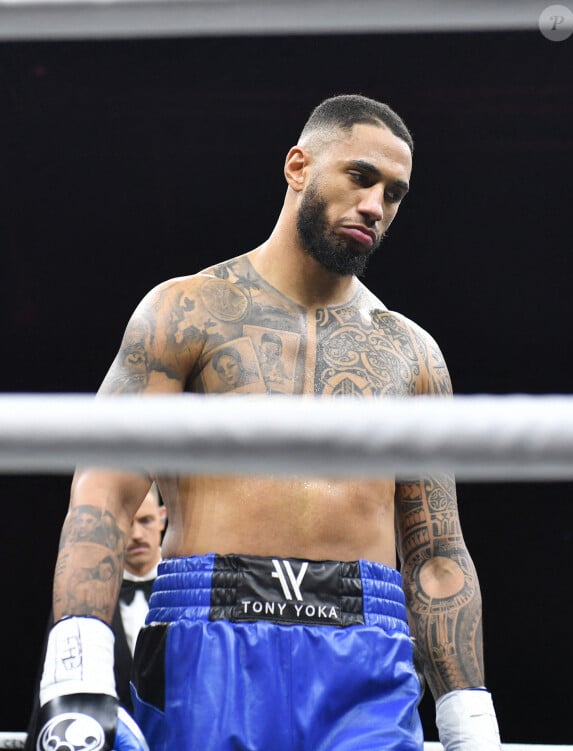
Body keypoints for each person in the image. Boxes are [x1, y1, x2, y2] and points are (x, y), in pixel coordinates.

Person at [33, 94, 501, 751]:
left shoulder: (412, 354)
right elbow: (105, 494)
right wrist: (75, 671)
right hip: (208, 633)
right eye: (361, 177)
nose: (377, 205)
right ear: (299, 166)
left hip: (366, 649)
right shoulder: (187, 311)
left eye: (395, 194)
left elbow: (436, 552)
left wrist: (469, 718)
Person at [26, 484, 166, 748]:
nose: (136, 535)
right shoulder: (82, 598)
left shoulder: (185, 593)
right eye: (129, 523)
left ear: (162, 517)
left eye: (146, 520)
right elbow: (56, 684)